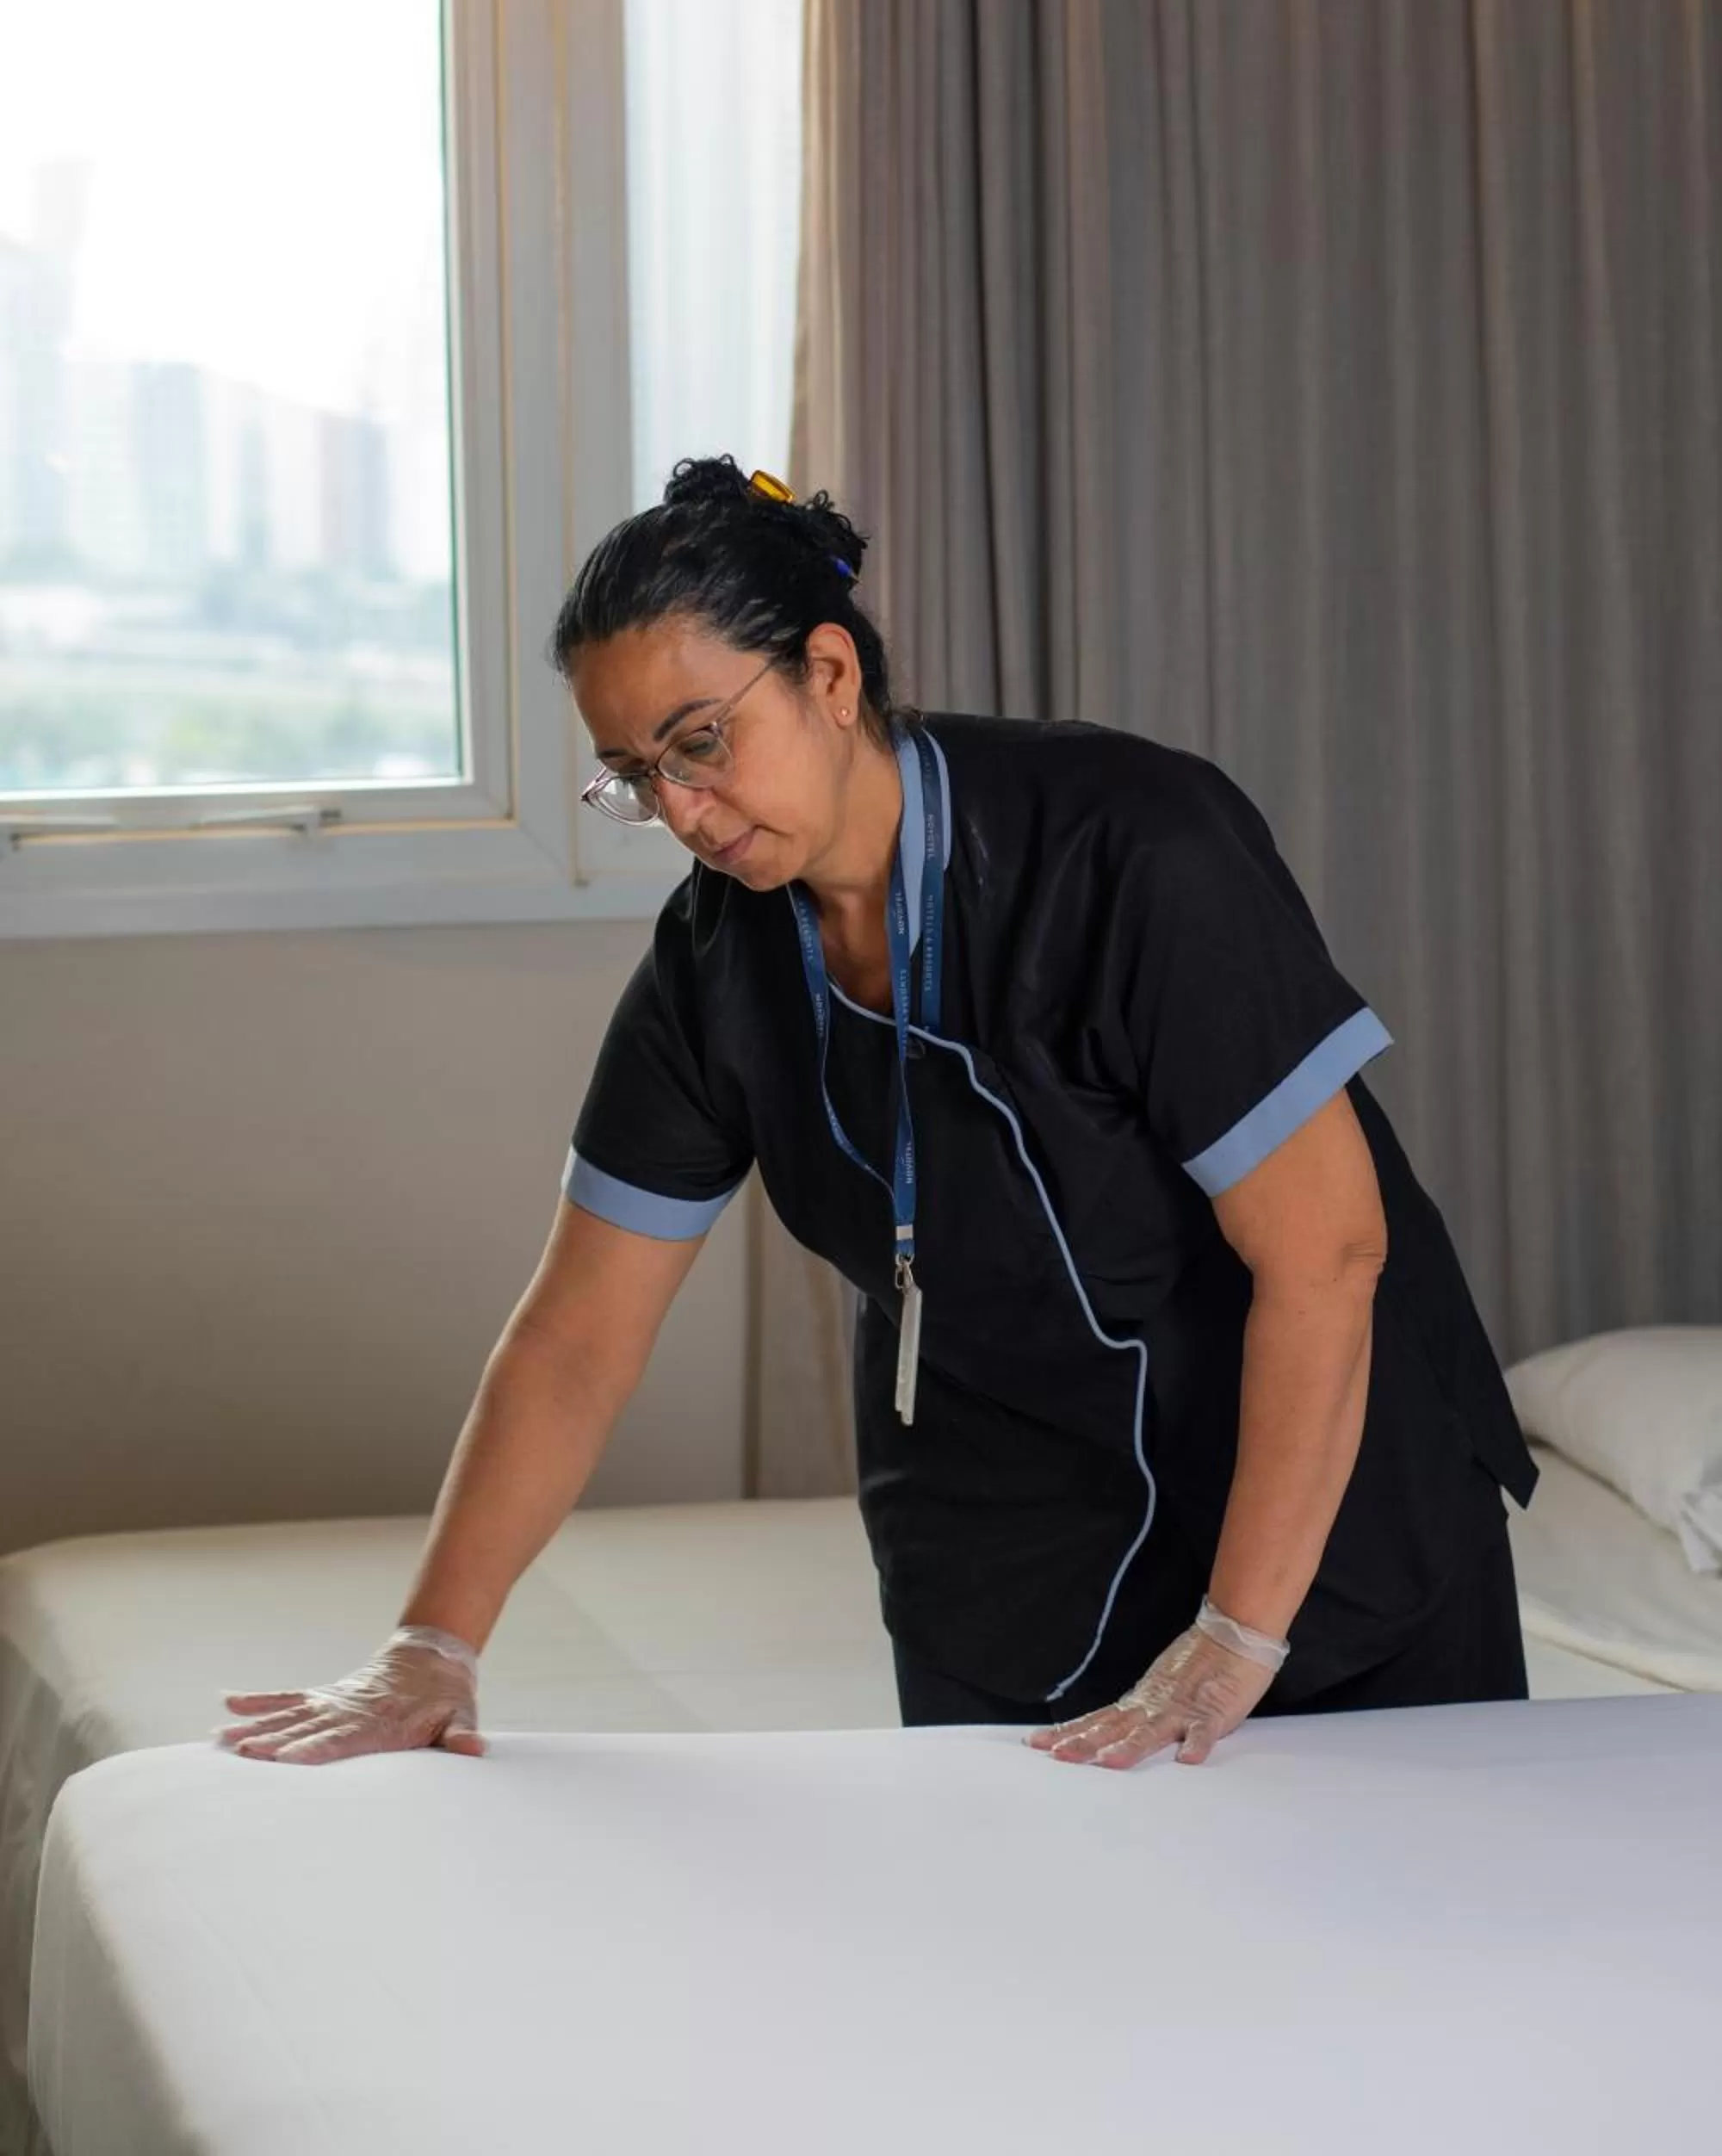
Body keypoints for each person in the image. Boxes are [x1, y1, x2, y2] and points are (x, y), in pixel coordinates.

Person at [219, 456, 1537, 1775]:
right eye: (634, 774)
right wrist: (432, 1646)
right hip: (1001, 1539)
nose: (680, 810)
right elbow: (577, 1336)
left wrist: (1241, 1635)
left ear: (831, 678)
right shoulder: (714, 965)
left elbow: (1328, 1254)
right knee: (1016, 1970)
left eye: (701, 741)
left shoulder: (1132, 847)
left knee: (1382, 1959)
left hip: (1323, 1533)